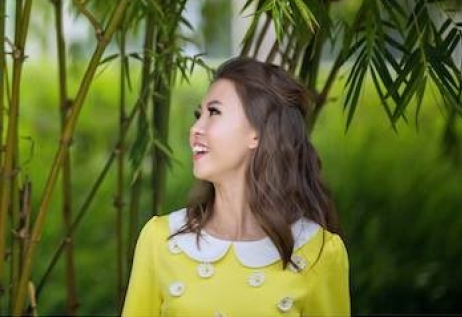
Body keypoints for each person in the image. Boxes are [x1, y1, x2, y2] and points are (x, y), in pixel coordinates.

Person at [121, 57, 349, 316]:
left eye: (214, 112)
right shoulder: (159, 240)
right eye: (199, 115)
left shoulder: (319, 252)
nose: (195, 129)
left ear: (258, 132)